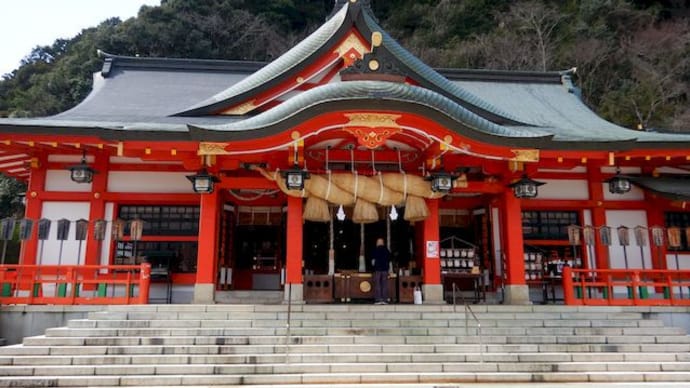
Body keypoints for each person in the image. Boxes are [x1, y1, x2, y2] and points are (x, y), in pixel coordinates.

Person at [372, 237, 391, 304]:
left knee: (378, 284)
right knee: (384, 284)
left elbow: (373, 261)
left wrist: (374, 267)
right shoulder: (387, 250)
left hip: (377, 269)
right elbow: (389, 259)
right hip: (385, 269)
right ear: (383, 243)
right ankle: (384, 300)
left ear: (377, 243)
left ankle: (378, 299)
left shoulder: (375, 250)